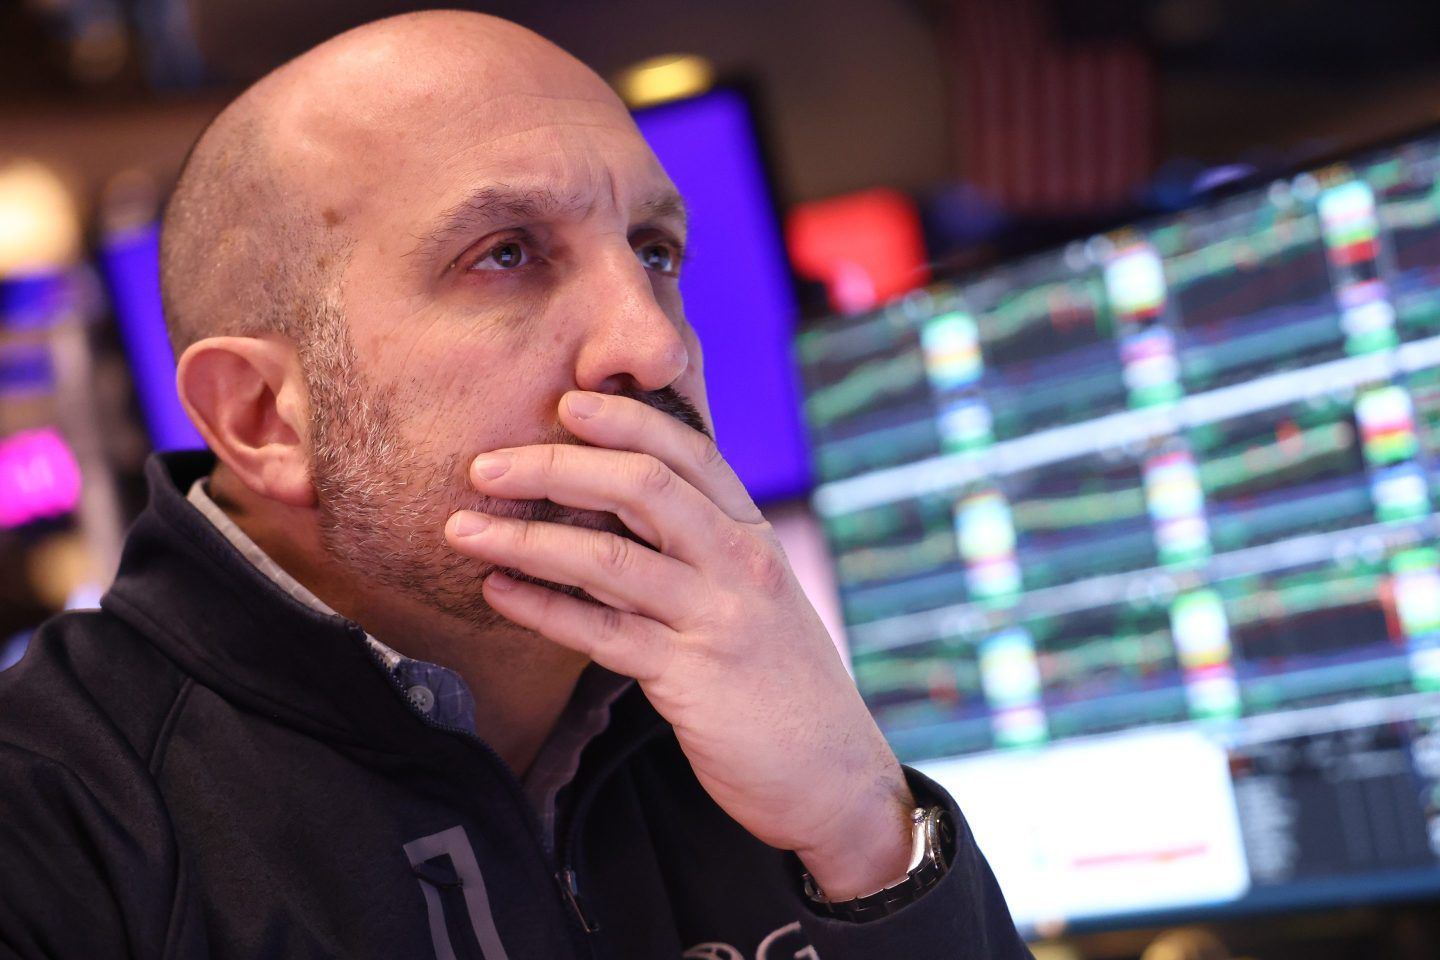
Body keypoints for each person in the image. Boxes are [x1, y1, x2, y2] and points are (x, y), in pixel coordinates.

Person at [0, 11, 1029, 959]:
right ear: (264, 417)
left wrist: (866, 838)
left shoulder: (757, 700)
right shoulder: (51, 821)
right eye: (505, 255)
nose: (651, 344)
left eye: (654, 252)